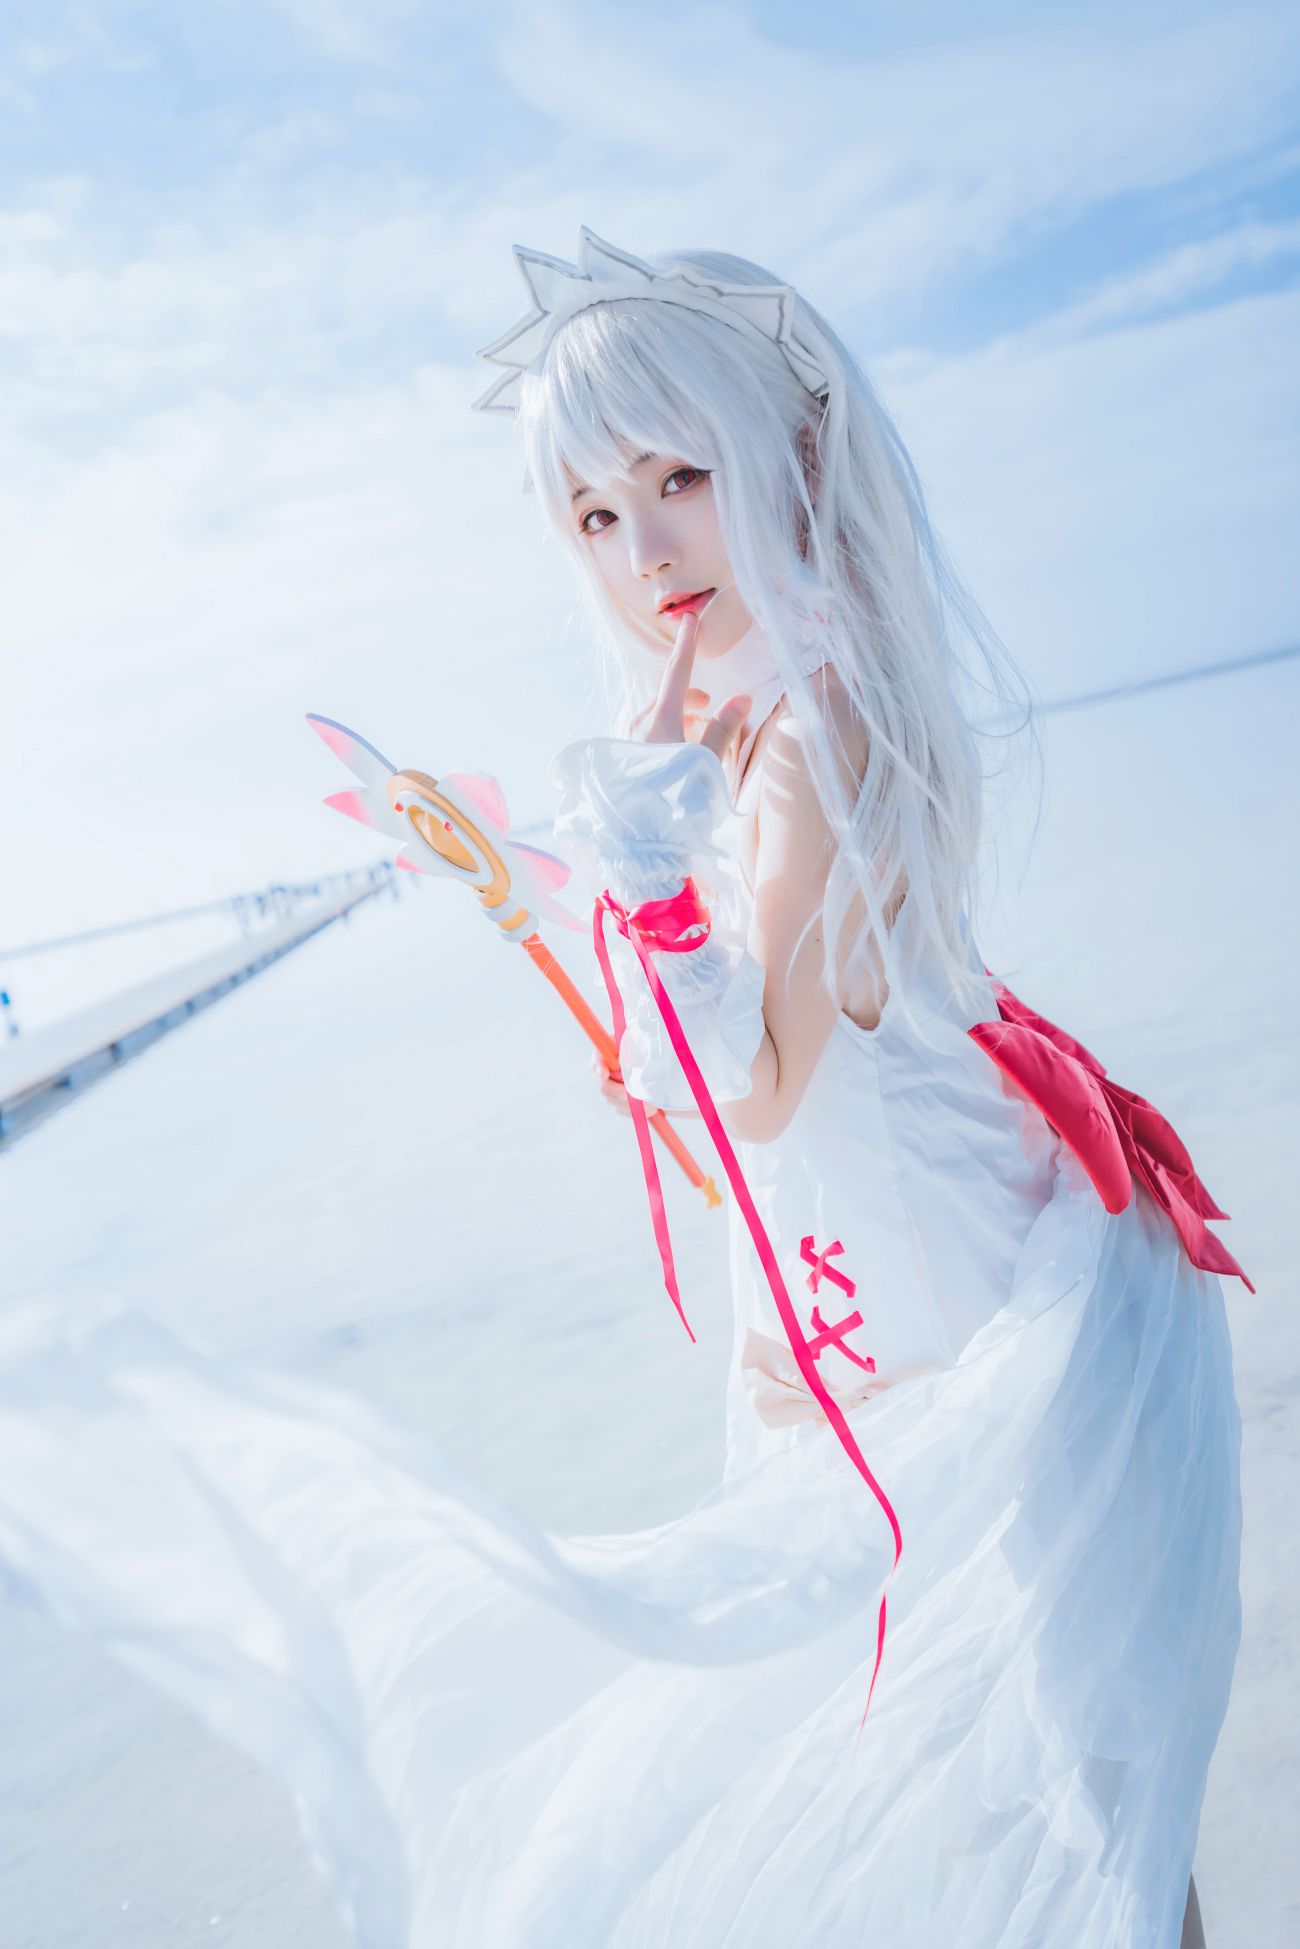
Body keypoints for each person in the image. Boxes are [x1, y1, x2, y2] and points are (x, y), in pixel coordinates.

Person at [0, 228, 1247, 1947]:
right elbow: (744, 1108)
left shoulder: (811, 730)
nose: (644, 548)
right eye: (593, 512)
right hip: (890, 1295)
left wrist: (651, 876)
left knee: (1071, 1799)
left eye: (678, 477)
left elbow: (771, 1091)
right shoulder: (764, 724)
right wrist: (649, 988)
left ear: (783, 460)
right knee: (1058, 1798)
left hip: (953, 1310)